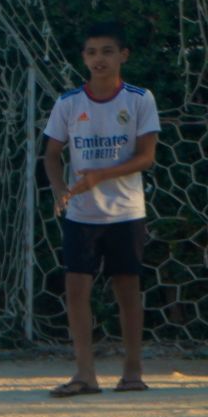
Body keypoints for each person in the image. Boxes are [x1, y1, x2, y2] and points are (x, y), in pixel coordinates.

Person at [42, 21, 160, 396]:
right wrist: (61, 187)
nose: (99, 59)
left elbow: (146, 157)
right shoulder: (68, 103)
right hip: (82, 214)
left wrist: (100, 175)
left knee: (127, 288)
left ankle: (132, 372)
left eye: (107, 51)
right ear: (84, 58)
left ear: (122, 55)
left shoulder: (140, 99)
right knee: (76, 288)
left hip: (125, 211)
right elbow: (51, 154)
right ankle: (85, 375)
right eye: (92, 52)